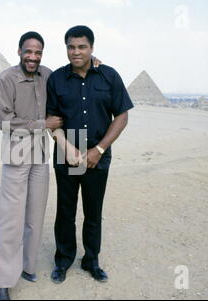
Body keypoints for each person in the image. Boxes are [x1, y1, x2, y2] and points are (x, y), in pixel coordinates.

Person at [46, 25, 134, 284]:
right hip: (68, 151)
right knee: (66, 211)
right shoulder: (57, 79)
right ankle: (63, 260)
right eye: (71, 47)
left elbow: (122, 115)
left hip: (98, 152)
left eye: (82, 46)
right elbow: (52, 119)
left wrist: (99, 149)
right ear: (66, 49)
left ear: (92, 48)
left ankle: (91, 260)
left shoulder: (109, 76)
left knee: (93, 212)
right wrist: (66, 147)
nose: (76, 52)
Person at [0, 31, 63, 300]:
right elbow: (6, 123)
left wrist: (94, 66)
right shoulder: (6, 79)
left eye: (38, 52)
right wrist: (43, 125)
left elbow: (70, 79)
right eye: (28, 51)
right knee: (11, 219)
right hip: (17, 157)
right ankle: (1, 280)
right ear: (19, 51)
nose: (33, 57)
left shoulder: (47, 74)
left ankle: (27, 265)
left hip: (40, 157)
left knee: (35, 215)